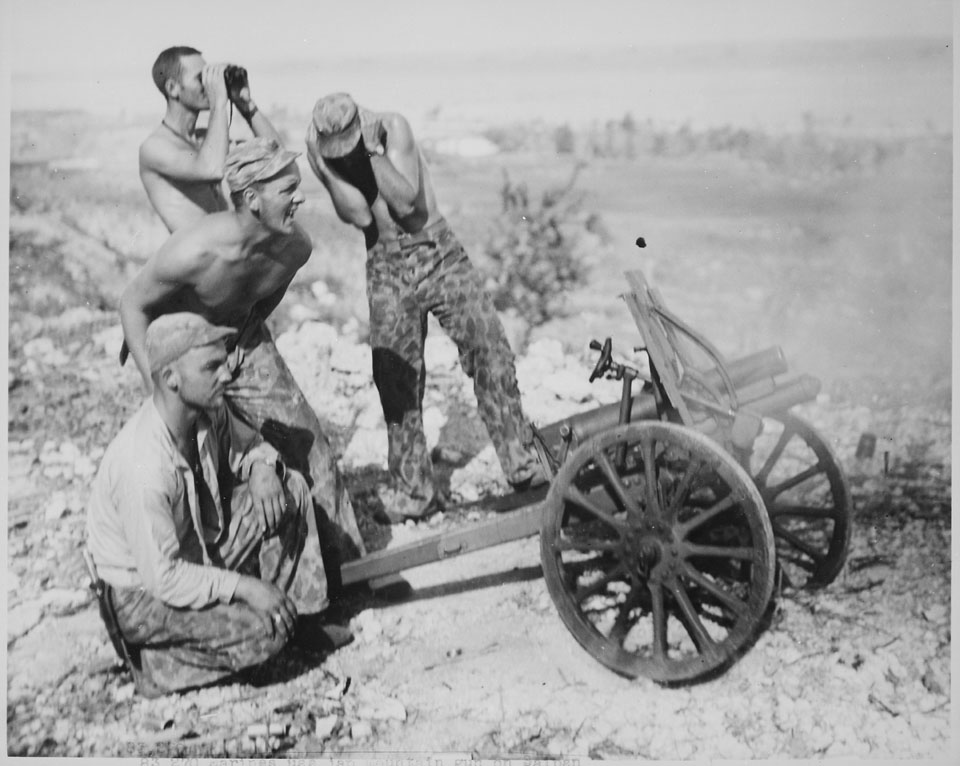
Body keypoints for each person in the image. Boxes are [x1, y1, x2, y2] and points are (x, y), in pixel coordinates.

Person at [120, 137, 366, 603]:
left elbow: (262, 297)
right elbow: (133, 304)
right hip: (186, 349)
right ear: (251, 200)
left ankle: (349, 571)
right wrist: (156, 379)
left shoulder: (295, 248)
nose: (300, 198)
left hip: (243, 338)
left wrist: (242, 336)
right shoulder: (194, 251)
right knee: (192, 468)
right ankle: (208, 584)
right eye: (287, 189)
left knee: (307, 444)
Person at [305, 93, 544, 522]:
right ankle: (414, 491)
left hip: (435, 251)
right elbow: (360, 215)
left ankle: (521, 462)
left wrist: (371, 154)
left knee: (487, 348)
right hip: (384, 263)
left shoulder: (392, 128)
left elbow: (406, 202)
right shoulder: (329, 153)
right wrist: (324, 169)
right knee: (395, 379)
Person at [87, 313, 345, 698]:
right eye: (211, 366)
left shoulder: (206, 410)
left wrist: (261, 467)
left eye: (222, 360)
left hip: (195, 551)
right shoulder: (143, 466)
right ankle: (158, 669)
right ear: (170, 378)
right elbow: (163, 577)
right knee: (266, 633)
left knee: (288, 488)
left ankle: (300, 617)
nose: (225, 373)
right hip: (142, 596)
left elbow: (249, 446)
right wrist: (244, 587)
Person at [140, 45, 283, 233]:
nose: (210, 85)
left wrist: (246, 104)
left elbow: (278, 155)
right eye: (202, 79)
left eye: (211, 77)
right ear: (173, 88)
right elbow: (212, 169)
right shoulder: (155, 147)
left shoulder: (206, 140)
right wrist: (219, 102)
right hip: (195, 258)